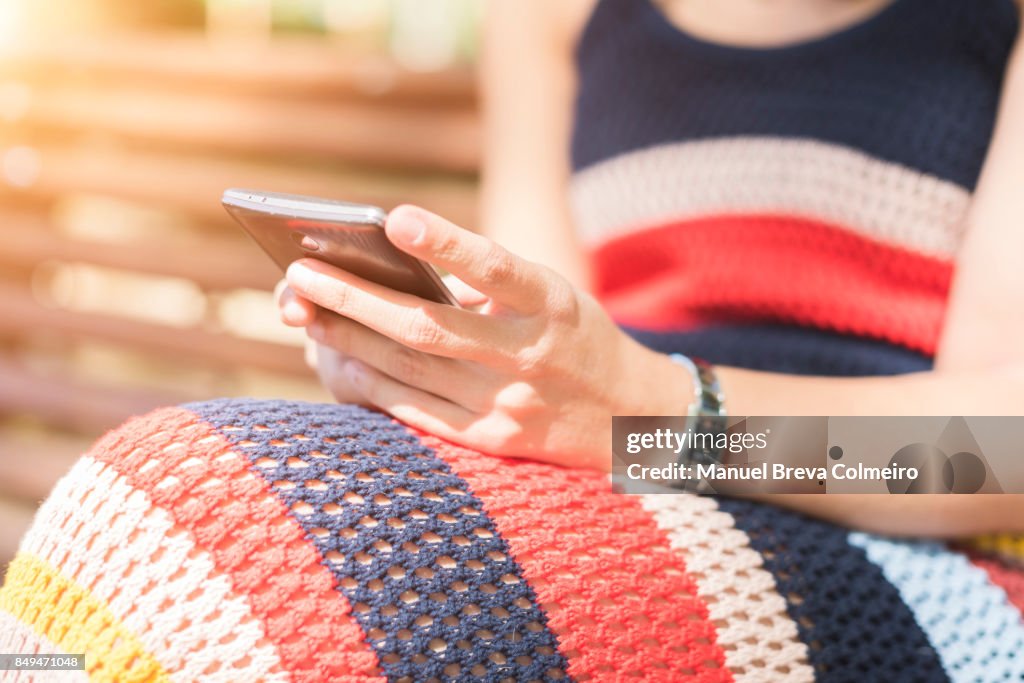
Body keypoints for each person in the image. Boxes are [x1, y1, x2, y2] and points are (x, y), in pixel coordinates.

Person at [3, 1, 1024, 681]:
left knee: (216, 558)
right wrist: (434, 364)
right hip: (624, 489)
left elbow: (1002, 453)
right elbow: (552, 341)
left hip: (927, 558)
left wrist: (669, 418)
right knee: (181, 514)